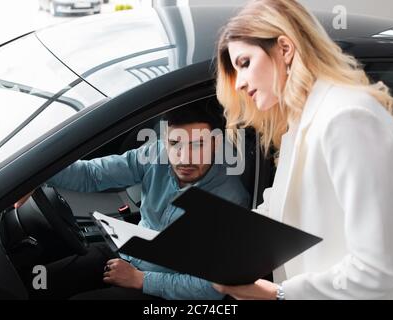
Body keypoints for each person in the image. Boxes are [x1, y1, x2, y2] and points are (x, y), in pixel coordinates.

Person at [212, 0, 393, 300]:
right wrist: (210, 244)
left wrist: (279, 294)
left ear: (284, 48)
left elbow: (379, 270)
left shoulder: (346, 118)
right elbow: (279, 211)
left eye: (244, 63)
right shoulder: (303, 121)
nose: (240, 83)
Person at [16, 99, 250, 300]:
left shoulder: (231, 201)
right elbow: (93, 175)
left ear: (216, 143)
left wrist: (141, 279)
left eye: (197, 145)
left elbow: (213, 288)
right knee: (39, 284)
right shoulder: (156, 153)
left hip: (164, 290)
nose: (183, 158)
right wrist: (38, 174)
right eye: (174, 143)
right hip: (126, 252)